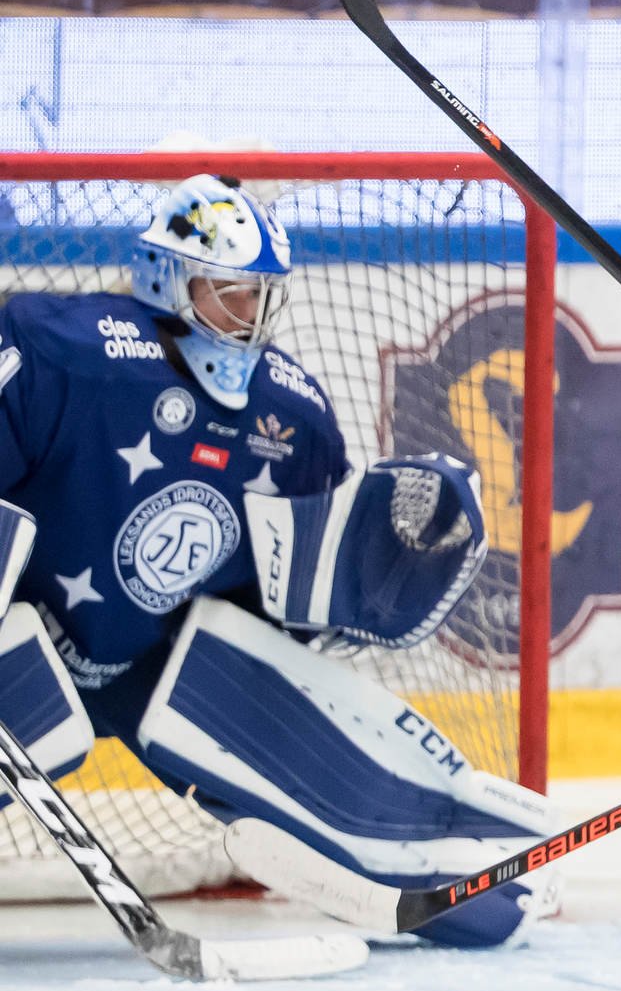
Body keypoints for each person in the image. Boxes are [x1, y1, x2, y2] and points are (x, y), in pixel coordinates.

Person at [0, 173, 557, 946]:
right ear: (167, 278)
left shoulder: (289, 414)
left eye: (260, 295)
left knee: (471, 899)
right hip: (21, 636)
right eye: (226, 292)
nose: (247, 316)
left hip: (159, 663)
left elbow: (286, 611)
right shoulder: (63, 352)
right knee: (35, 702)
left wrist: (360, 585)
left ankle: (457, 853)